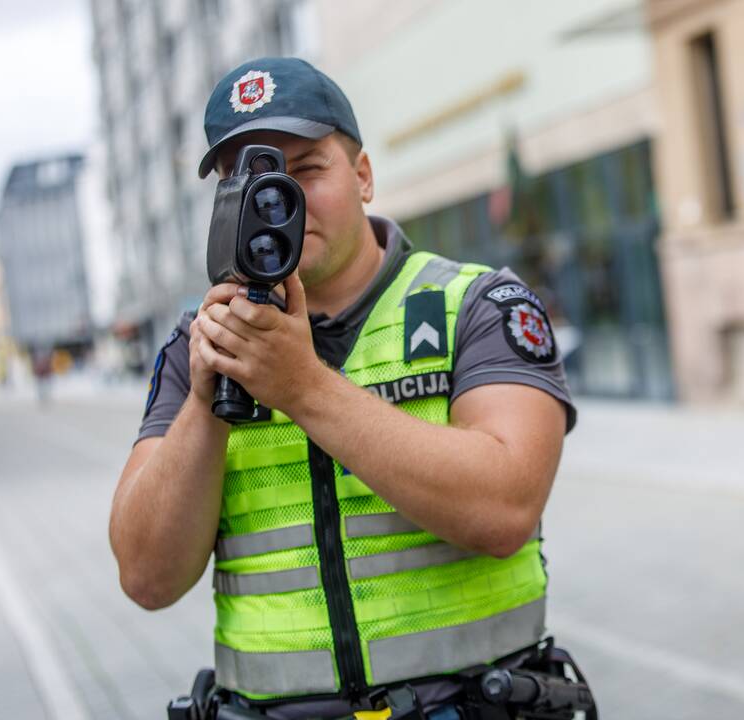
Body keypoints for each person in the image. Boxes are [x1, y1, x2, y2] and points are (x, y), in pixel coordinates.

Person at [110, 57, 584, 719]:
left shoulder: (474, 305)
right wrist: (205, 401)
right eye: (247, 183)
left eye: (304, 171)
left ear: (362, 176)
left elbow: (504, 510)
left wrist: (302, 387)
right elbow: (147, 577)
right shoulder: (196, 349)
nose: (278, 203)